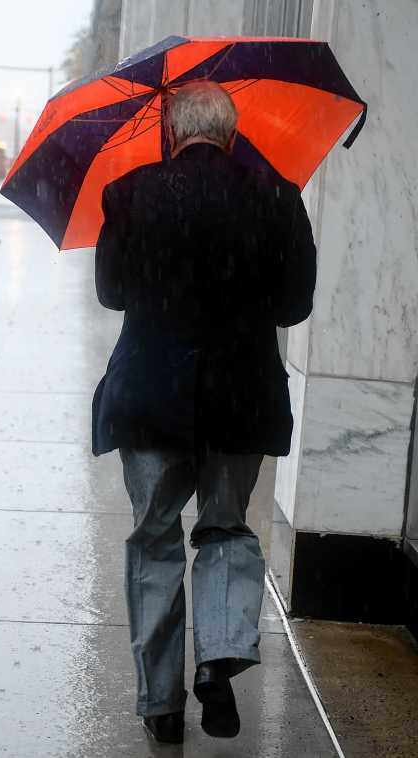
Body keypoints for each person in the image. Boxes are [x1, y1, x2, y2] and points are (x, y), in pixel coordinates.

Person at [92, 81, 316, 745]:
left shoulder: (129, 193)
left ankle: (161, 705)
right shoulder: (277, 196)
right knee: (224, 528)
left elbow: (111, 294)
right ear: (229, 131)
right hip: (239, 397)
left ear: (171, 131)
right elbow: (293, 307)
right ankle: (216, 660)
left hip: (151, 396)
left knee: (155, 538)